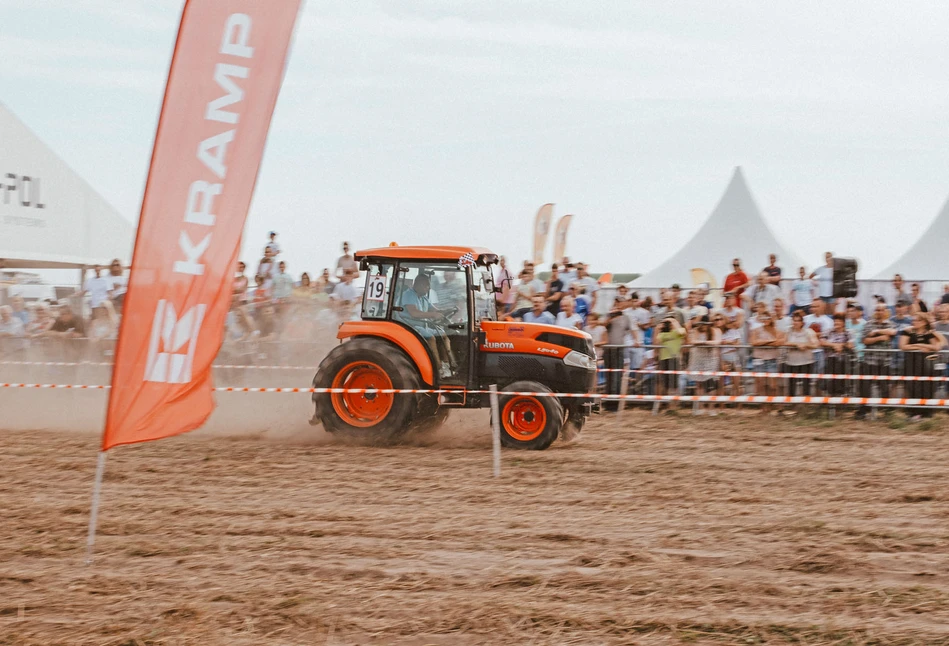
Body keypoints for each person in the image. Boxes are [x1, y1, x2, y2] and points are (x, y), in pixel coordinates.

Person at [395, 273, 456, 379]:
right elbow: (414, 313)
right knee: (431, 338)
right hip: (409, 326)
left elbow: (435, 310)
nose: (428, 288)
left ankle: (447, 365)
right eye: (426, 285)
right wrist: (433, 315)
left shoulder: (423, 298)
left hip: (422, 326)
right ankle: (438, 369)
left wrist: (449, 310)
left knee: (443, 335)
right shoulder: (408, 295)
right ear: (418, 284)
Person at [899, 313, 944, 420]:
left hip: (926, 364)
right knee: (912, 387)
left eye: (917, 320)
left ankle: (926, 412)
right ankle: (913, 412)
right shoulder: (907, 331)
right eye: (913, 320)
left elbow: (936, 347)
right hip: (911, 363)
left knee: (927, 387)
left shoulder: (929, 333)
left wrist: (918, 346)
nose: (914, 322)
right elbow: (902, 346)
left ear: (924, 322)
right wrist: (920, 346)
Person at [858, 303, 898, 416]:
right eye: (877, 310)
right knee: (865, 386)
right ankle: (864, 410)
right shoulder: (868, 324)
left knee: (884, 387)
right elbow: (865, 340)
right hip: (870, 360)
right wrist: (880, 337)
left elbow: (892, 332)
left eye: (881, 310)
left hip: (885, 361)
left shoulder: (891, 324)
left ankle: (886, 410)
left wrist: (875, 333)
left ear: (886, 311)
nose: (879, 312)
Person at [750, 311, 784, 412]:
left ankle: (773, 404)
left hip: (772, 359)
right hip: (759, 358)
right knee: (761, 384)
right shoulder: (756, 330)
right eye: (764, 318)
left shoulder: (776, 331)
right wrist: (769, 342)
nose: (766, 320)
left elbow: (779, 342)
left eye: (768, 318)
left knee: (773, 385)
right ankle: (764, 407)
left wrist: (763, 342)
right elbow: (754, 342)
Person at [687, 314, 721, 412]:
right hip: (698, 360)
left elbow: (717, 342)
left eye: (705, 324)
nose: (703, 326)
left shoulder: (715, 331)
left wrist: (704, 343)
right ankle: (700, 407)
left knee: (712, 385)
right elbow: (691, 341)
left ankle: (711, 408)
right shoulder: (695, 331)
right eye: (702, 324)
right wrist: (702, 343)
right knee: (699, 384)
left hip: (711, 360)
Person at [784, 311, 819, 400]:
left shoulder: (809, 332)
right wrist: (796, 345)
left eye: (798, 321)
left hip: (806, 362)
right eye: (794, 320)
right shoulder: (788, 330)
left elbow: (816, 344)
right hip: (792, 362)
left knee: (806, 385)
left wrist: (806, 345)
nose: (795, 323)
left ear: (802, 323)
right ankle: (792, 405)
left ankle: (805, 407)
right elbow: (784, 342)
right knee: (791, 386)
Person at [655, 315, 686, 408]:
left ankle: (674, 405)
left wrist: (674, 322)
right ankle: (669, 405)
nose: (668, 324)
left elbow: (682, 332)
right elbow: (656, 342)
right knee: (666, 383)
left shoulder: (678, 331)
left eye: (669, 322)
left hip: (674, 358)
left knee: (674, 383)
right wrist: (658, 328)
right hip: (663, 359)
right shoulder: (663, 334)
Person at [821, 314, 854, 396]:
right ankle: (831, 394)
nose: (836, 322)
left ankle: (840, 393)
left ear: (843, 323)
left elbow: (851, 345)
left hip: (844, 360)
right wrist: (833, 345)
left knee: (840, 368)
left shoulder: (848, 332)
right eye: (835, 320)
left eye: (839, 321)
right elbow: (821, 342)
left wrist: (841, 345)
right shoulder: (828, 331)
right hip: (830, 359)